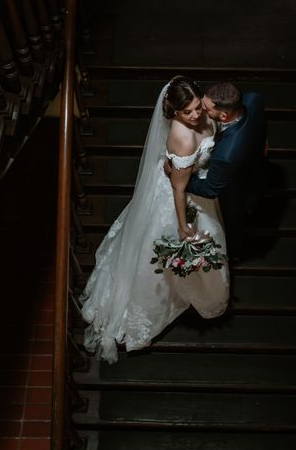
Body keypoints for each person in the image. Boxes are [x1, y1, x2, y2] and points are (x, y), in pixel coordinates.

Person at [79, 76, 229, 364]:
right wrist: (184, 225)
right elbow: (179, 188)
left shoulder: (206, 115)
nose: (196, 115)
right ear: (174, 113)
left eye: (198, 107)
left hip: (200, 187)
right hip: (182, 197)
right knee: (169, 249)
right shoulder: (182, 137)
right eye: (188, 112)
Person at [185, 82, 269, 262]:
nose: (201, 110)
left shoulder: (226, 156)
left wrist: (180, 177)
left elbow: (210, 189)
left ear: (223, 116)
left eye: (205, 108)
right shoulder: (253, 99)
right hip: (254, 162)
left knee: (233, 223)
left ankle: (236, 255)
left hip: (238, 187)